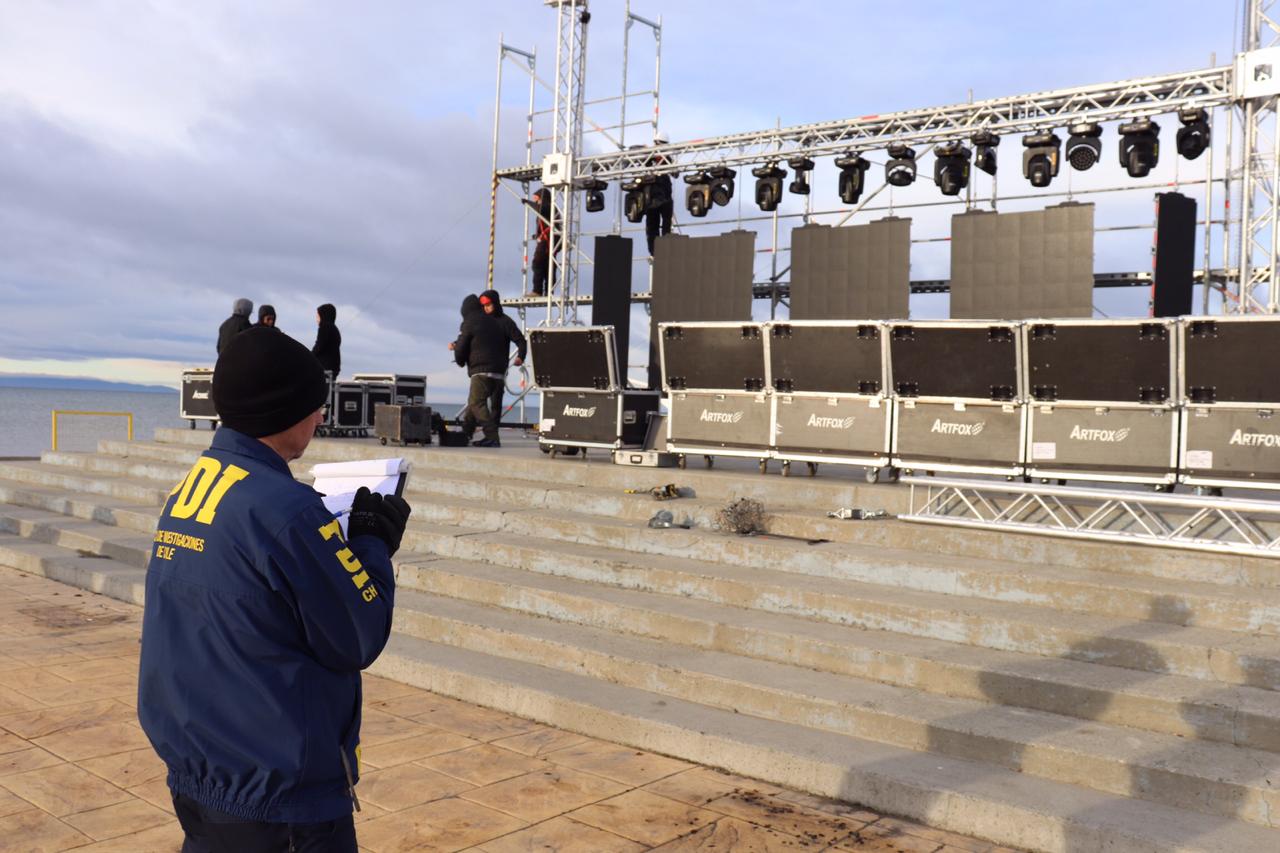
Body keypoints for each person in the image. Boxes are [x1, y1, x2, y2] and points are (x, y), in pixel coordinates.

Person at [138, 326, 411, 853]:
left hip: (204, 768)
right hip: (278, 797)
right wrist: (373, 544)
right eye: (315, 405)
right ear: (283, 411)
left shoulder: (196, 486)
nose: (322, 417)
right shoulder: (286, 510)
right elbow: (359, 634)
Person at [452, 290, 526, 447]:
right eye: (482, 305)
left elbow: (521, 340)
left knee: (484, 403)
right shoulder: (484, 320)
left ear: (496, 303)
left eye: (488, 304)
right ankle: (467, 433)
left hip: (490, 369)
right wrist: (457, 344)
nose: (485, 308)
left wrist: (521, 356)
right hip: (493, 368)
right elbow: (473, 339)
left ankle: (492, 436)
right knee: (475, 402)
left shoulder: (504, 322)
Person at [522, 188, 556, 297]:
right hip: (548, 239)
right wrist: (537, 235)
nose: (535, 199)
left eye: (536, 197)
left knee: (537, 264)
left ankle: (537, 291)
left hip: (548, 240)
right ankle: (548, 292)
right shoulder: (550, 208)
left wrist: (528, 202)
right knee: (547, 265)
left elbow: (540, 209)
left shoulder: (549, 207)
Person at [645, 133, 674, 257]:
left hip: (665, 197)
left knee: (666, 225)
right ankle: (654, 251)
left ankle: (664, 248)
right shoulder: (649, 159)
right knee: (652, 226)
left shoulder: (668, 159)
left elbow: (675, 173)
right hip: (652, 198)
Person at [313, 303, 341, 377]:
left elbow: (319, 346)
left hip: (324, 368)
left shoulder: (325, 327)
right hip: (333, 367)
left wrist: (308, 356)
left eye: (318, 316)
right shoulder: (334, 328)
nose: (316, 319)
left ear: (323, 315)